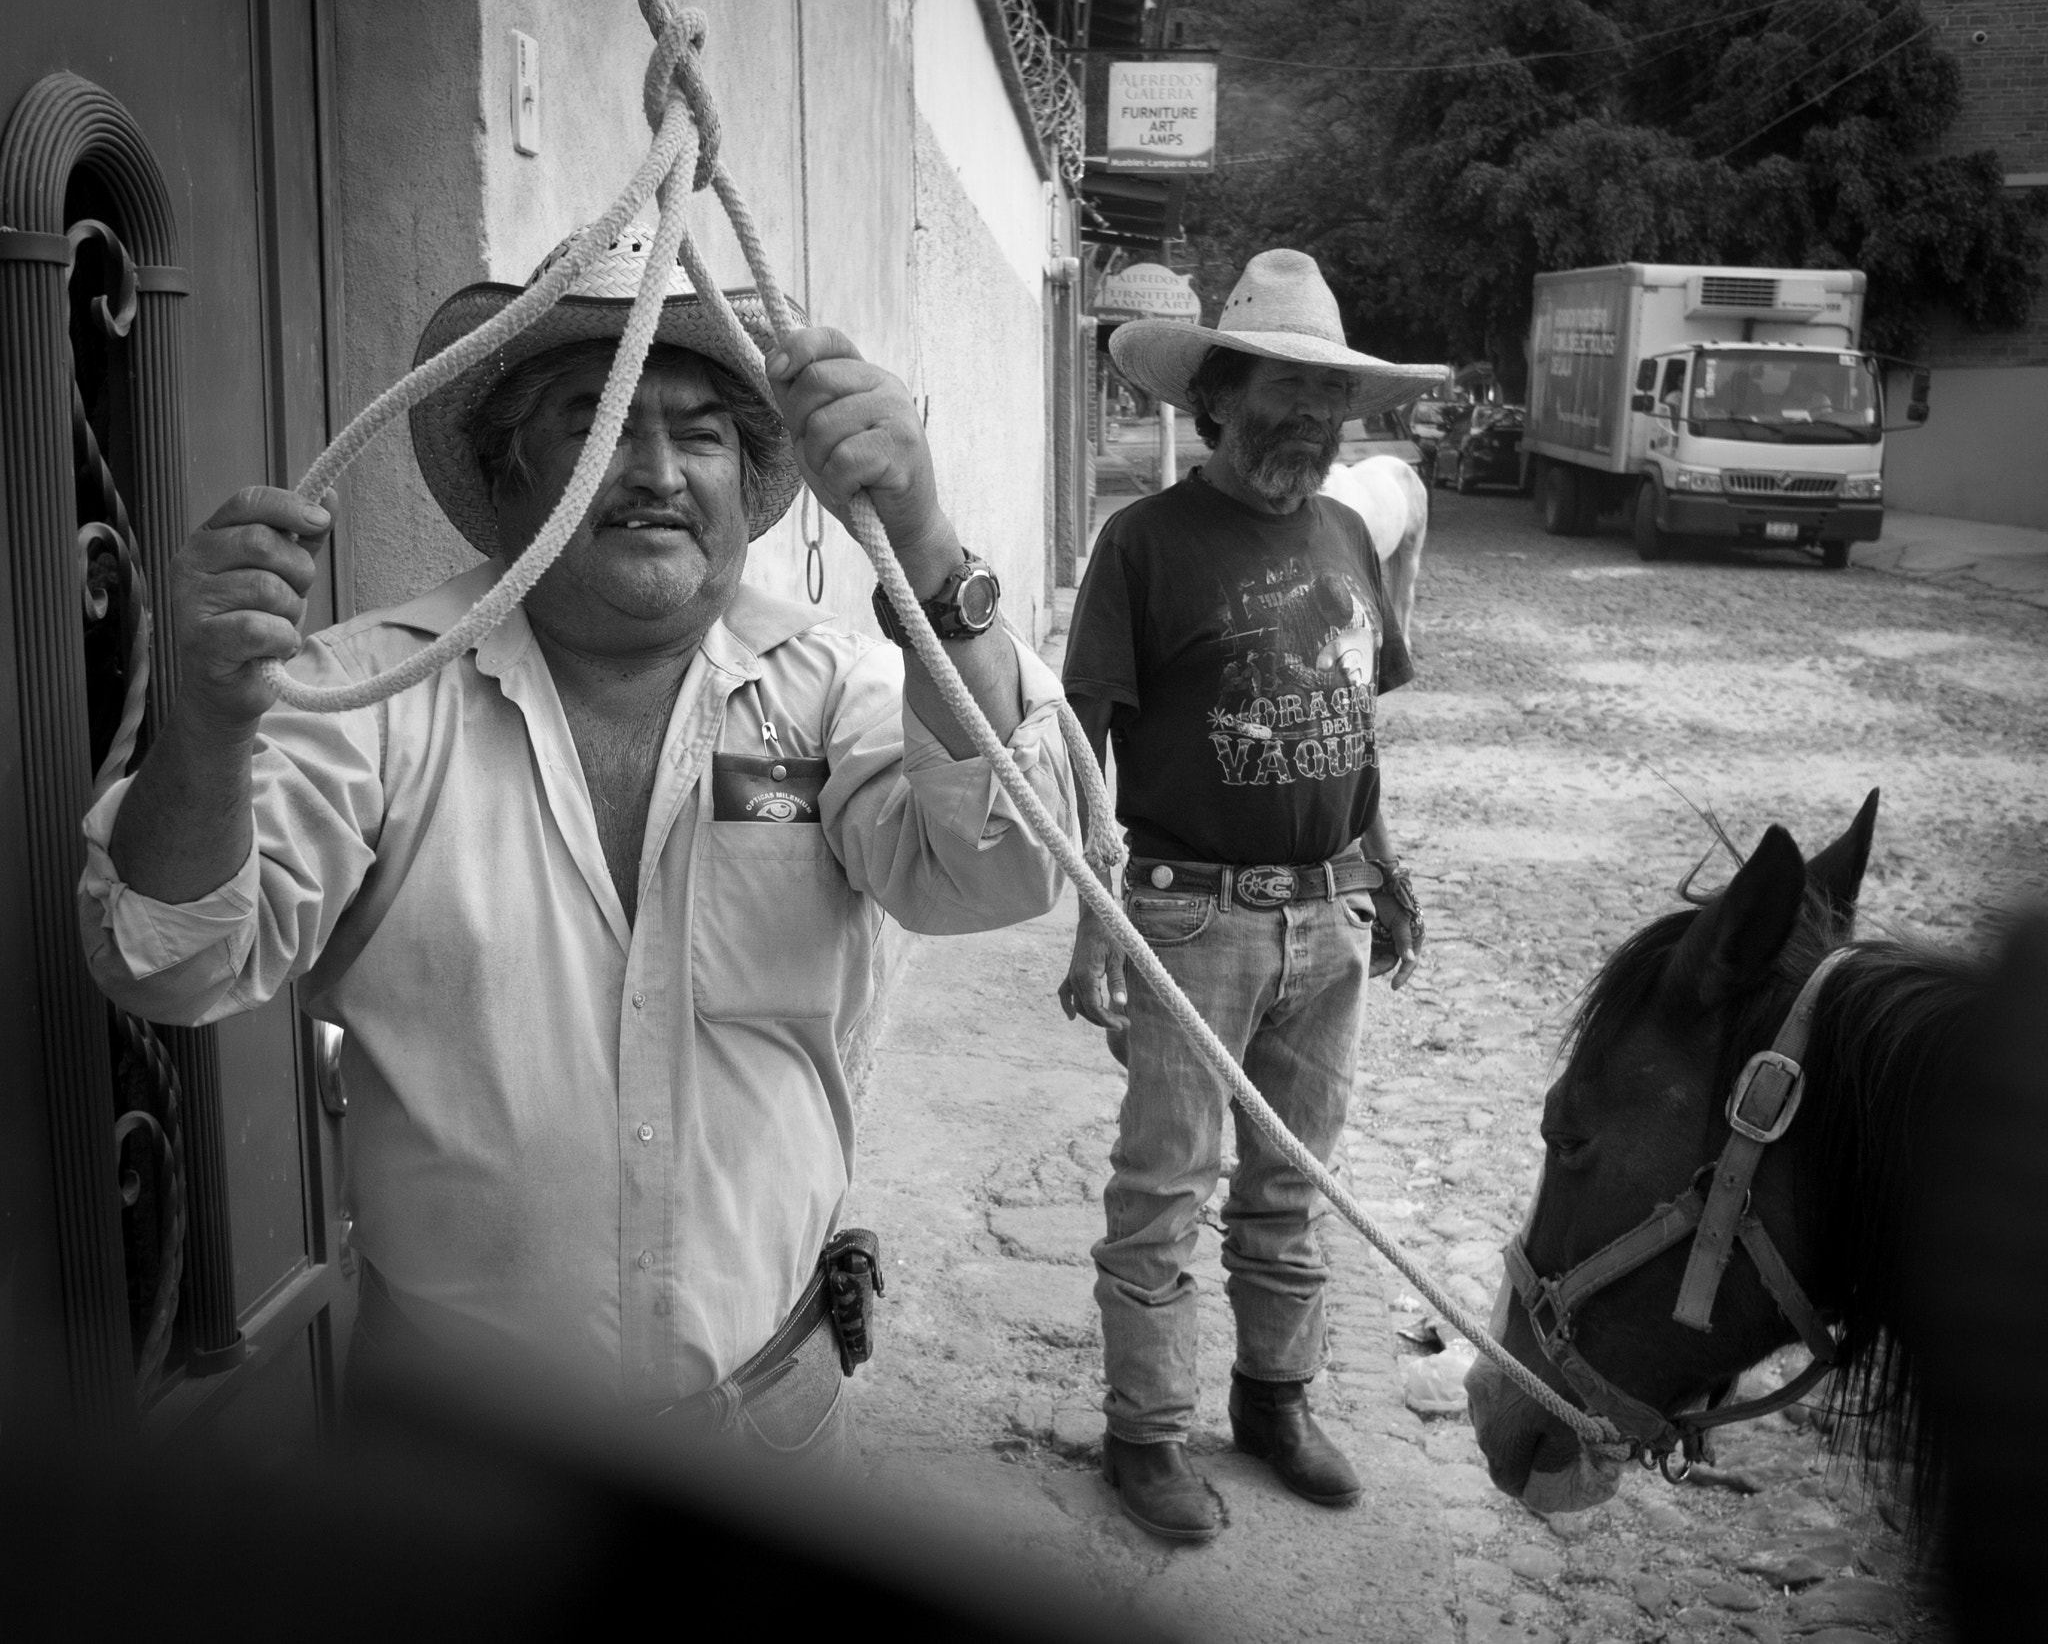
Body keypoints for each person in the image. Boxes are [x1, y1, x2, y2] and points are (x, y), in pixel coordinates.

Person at [78, 224, 1076, 1469]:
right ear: (502, 485)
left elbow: (1001, 867)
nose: (652, 469)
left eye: (700, 429)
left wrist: (926, 547)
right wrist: (210, 720)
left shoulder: (839, 684)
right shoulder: (365, 697)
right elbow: (167, 962)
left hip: (777, 1415)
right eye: (592, 419)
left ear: (752, 485)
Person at [1058, 249, 1436, 1542]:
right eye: (1282, 394)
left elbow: (1350, 724)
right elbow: (1081, 737)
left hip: (1329, 915)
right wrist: (1087, 918)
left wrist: (1384, 868)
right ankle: (1146, 1434)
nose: (1309, 426)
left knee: (1293, 1181)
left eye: (1328, 402)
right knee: (1164, 1189)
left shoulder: (1343, 530)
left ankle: (1274, 1400)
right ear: (1218, 396)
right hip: (1186, 916)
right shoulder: (1143, 542)